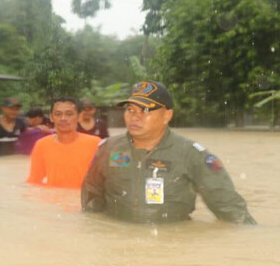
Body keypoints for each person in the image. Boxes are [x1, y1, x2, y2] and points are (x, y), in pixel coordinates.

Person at [81, 81, 257, 224]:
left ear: (167, 115)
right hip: (119, 246)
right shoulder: (108, 149)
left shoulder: (192, 155)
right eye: (130, 110)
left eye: (146, 110)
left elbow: (231, 210)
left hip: (172, 247)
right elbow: (91, 203)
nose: (135, 116)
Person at [27, 97, 102, 188]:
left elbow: (109, 177)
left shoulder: (95, 143)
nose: (63, 118)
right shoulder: (42, 145)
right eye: (58, 114)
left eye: (69, 114)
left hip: (82, 199)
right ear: (51, 117)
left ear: (79, 116)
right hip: (52, 199)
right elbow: (34, 181)